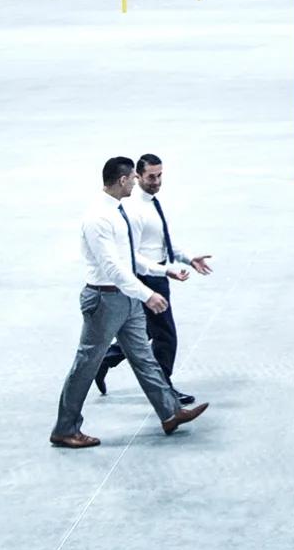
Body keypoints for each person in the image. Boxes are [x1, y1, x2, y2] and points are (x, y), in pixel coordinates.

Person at [51, 157, 208, 449]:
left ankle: (170, 413)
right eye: (134, 179)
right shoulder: (99, 218)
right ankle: (65, 429)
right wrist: (146, 293)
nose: (137, 183)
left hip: (125, 296)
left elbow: (131, 259)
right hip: (105, 299)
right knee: (86, 363)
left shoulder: (117, 211)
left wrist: (164, 270)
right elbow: (112, 267)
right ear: (123, 180)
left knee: (144, 358)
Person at [95, 153, 213, 403]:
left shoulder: (153, 203)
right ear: (136, 176)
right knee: (165, 336)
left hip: (159, 274)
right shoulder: (135, 210)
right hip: (148, 278)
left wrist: (189, 258)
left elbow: (162, 242)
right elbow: (132, 256)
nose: (157, 181)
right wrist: (165, 271)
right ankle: (165, 388)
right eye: (151, 177)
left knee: (146, 330)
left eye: (160, 176)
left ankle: (103, 360)